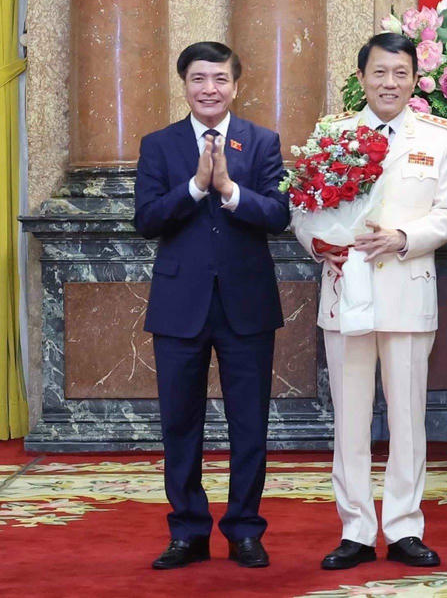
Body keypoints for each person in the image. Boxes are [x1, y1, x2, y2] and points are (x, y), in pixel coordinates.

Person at [303, 32, 447, 571]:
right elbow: (303, 209)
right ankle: (355, 530)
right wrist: (319, 244)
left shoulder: (439, 138)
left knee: (408, 419)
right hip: (345, 289)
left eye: (400, 73)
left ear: (415, 80)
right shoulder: (333, 135)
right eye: (379, 72)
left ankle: (404, 527)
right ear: (361, 77)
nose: (389, 83)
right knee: (348, 418)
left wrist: (403, 238)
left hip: (407, 290)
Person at [134, 41, 290, 570]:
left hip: (247, 303)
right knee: (180, 423)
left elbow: (278, 215)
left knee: (250, 424)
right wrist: (197, 188)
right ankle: (188, 532)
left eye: (220, 79)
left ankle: (244, 530)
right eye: (199, 79)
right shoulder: (159, 145)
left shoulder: (261, 141)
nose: (209, 89)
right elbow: (146, 219)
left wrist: (228, 189)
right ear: (184, 84)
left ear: (236, 86)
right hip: (180, 304)